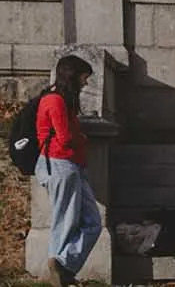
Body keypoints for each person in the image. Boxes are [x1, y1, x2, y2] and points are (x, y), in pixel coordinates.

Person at [36, 55, 100, 287]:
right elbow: (65, 139)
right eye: (84, 77)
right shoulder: (54, 101)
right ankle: (61, 271)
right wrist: (82, 138)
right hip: (60, 164)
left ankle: (63, 265)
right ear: (73, 75)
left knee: (93, 222)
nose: (85, 83)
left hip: (71, 166)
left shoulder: (62, 100)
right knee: (65, 220)